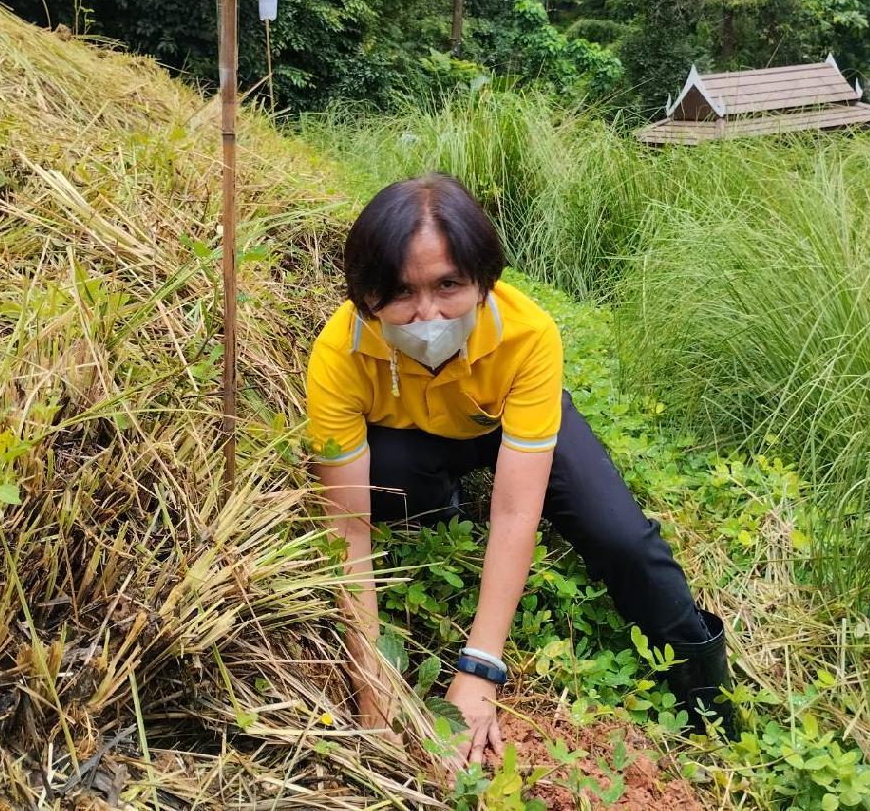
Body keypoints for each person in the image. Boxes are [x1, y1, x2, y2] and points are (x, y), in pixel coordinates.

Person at [305, 173, 736, 767]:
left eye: (449, 284)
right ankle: (443, 508)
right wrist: (372, 690)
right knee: (390, 483)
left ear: (484, 279)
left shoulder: (529, 335)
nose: (427, 315)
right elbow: (347, 528)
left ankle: (708, 693)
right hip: (413, 439)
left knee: (620, 538)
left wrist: (480, 668)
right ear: (366, 294)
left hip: (503, 423)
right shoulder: (339, 354)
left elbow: (514, 512)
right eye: (400, 292)